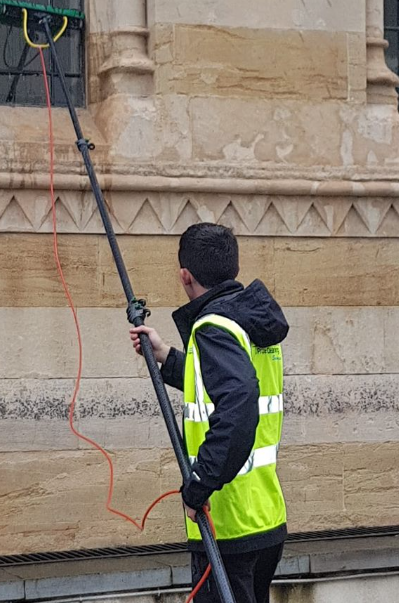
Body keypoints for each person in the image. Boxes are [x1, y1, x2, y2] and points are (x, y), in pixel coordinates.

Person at [129, 223, 289, 603]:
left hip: (227, 523)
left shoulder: (213, 327)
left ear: (185, 276)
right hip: (263, 516)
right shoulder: (248, 321)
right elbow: (217, 384)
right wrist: (166, 355)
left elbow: (237, 402)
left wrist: (198, 483)